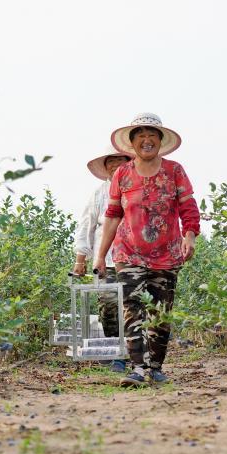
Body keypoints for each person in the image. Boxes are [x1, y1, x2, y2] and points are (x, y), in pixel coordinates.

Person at [92, 113, 200, 386]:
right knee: (132, 307)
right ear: (132, 143)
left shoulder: (174, 171)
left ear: (161, 141)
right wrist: (100, 255)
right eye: (140, 135)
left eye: (152, 135)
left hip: (166, 253)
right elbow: (113, 215)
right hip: (128, 252)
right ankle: (138, 368)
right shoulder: (122, 174)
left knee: (160, 312)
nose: (146, 140)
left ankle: (156, 366)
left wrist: (190, 236)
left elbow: (188, 208)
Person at [73, 147, 133, 371]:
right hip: (104, 260)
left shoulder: (137, 189)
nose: (116, 165)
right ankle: (116, 351)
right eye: (111, 162)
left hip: (133, 259)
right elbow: (86, 226)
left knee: (132, 306)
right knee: (108, 307)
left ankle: (131, 354)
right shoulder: (99, 193)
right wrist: (80, 260)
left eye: (120, 160)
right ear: (106, 168)